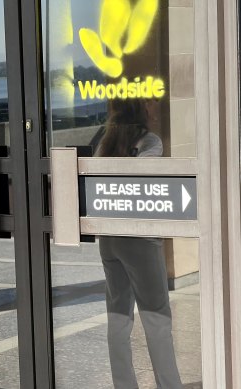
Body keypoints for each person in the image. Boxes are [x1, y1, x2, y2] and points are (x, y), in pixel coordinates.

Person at [94, 98, 183, 389]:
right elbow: (145, 178)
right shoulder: (151, 142)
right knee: (157, 317)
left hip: (109, 239)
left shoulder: (105, 143)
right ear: (140, 111)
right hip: (140, 240)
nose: (155, 107)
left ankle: (124, 385)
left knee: (118, 318)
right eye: (150, 103)